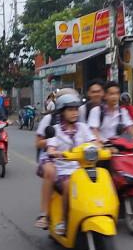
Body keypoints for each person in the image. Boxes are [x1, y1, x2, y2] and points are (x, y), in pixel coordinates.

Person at [40, 94, 97, 235]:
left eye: (76, 109)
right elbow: (51, 147)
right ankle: (64, 222)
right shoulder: (55, 130)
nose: (74, 113)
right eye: (70, 110)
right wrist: (54, 152)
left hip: (81, 169)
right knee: (68, 185)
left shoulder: (83, 128)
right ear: (62, 112)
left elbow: (94, 142)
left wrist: (102, 148)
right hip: (62, 170)